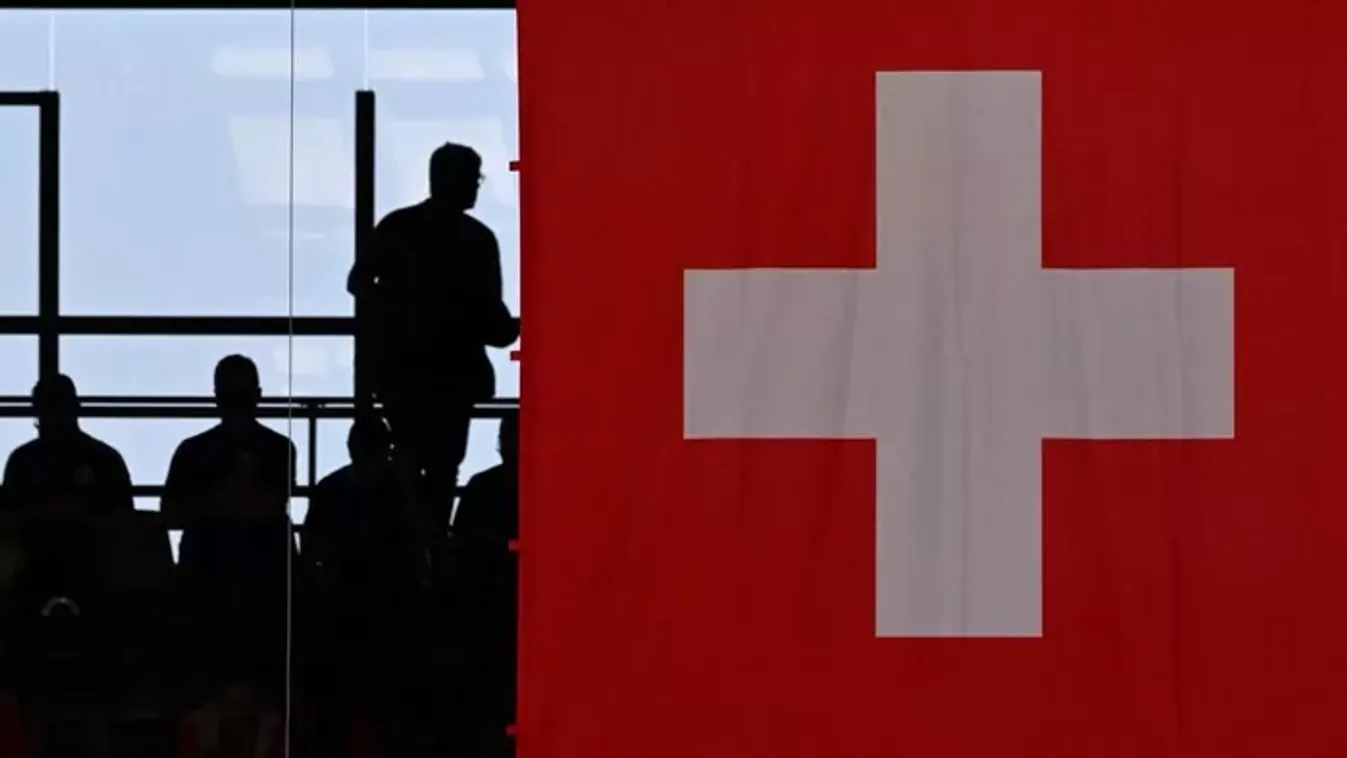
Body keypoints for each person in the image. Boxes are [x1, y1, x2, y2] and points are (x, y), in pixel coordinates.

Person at [347, 142, 520, 530]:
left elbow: (359, 282)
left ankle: (415, 542)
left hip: (403, 373)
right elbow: (491, 317)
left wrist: (397, 314)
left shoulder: (398, 227)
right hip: (453, 376)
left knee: (410, 464)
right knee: (443, 469)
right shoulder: (477, 240)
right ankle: (432, 542)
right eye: (474, 179)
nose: (476, 186)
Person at [0, 373, 135, 758]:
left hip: (83, 577)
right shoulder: (99, 459)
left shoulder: (28, 461)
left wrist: (58, 516)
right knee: (60, 691)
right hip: (61, 578)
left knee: (69, 692)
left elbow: (123, 524)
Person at [160, 355, 296, 707]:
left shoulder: (193, 452)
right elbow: (264, 506)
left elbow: (174, 513)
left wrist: (211, 504)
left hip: (218, 580)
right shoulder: (278, 449)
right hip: (252, 582)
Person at [300, 415, 432, 757]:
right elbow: (422, 541)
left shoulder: (332, 489)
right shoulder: (403, 490)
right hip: (390, 605)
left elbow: (311, 546)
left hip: (348, 605)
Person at [444, 413, 519, 758]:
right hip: (492, 610)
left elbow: (459, 542)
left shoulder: (481, 488)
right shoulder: (484, 488)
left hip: (490, 609)